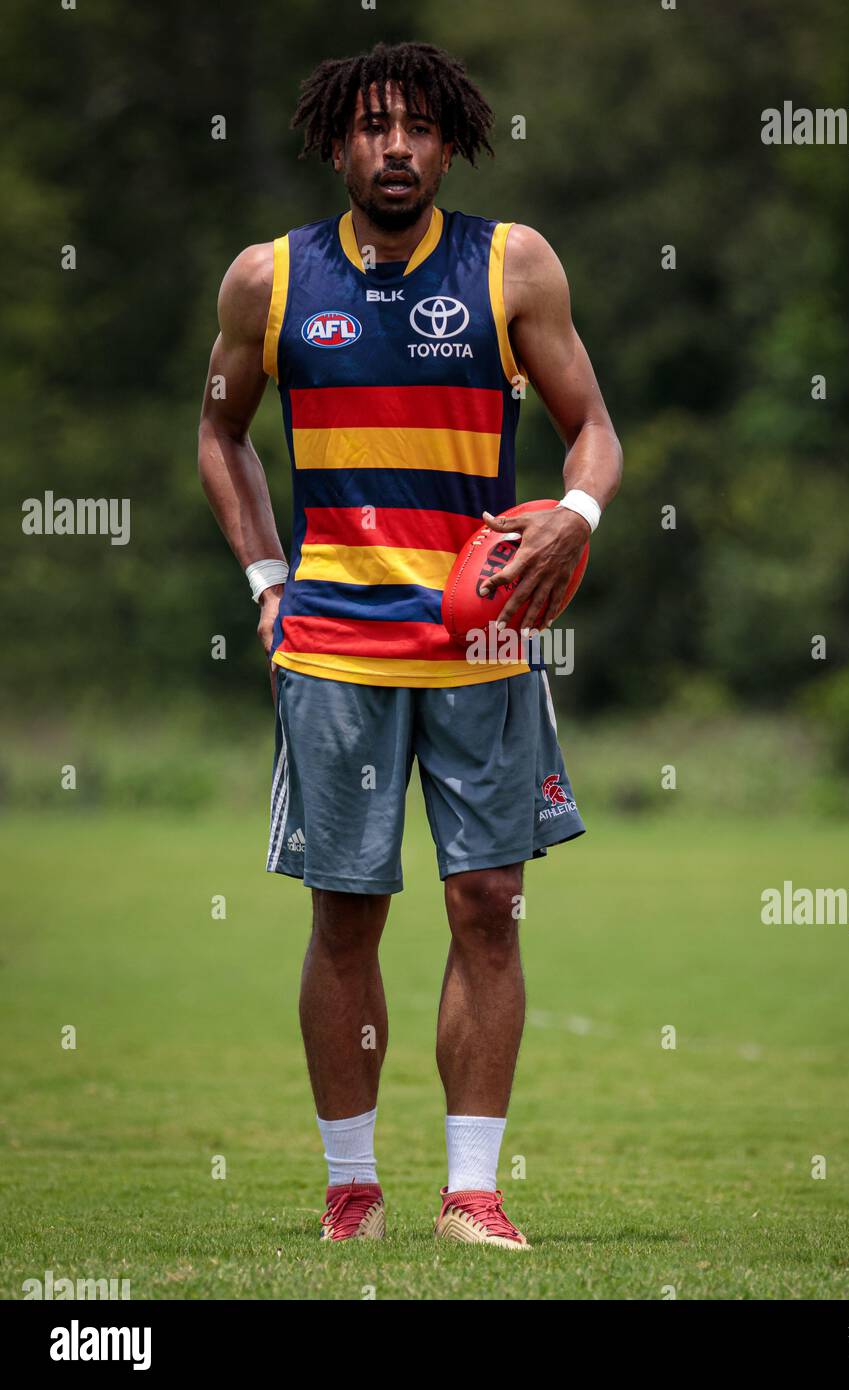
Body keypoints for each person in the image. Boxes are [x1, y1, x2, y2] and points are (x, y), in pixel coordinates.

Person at [198, 40, 622, 1248]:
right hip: (332, 648)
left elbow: (590, 427)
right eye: (373, 127)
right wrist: (266, 576)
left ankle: (471, 1196)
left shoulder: (512, 265)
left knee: (488, 901)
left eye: (418, 128)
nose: (395, 147)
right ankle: (351, 1194)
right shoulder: (267, 280)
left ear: (451, 144)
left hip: (481, 642)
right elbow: (220, 433)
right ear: (338, 143)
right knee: (346, 915)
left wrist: (572, 516)